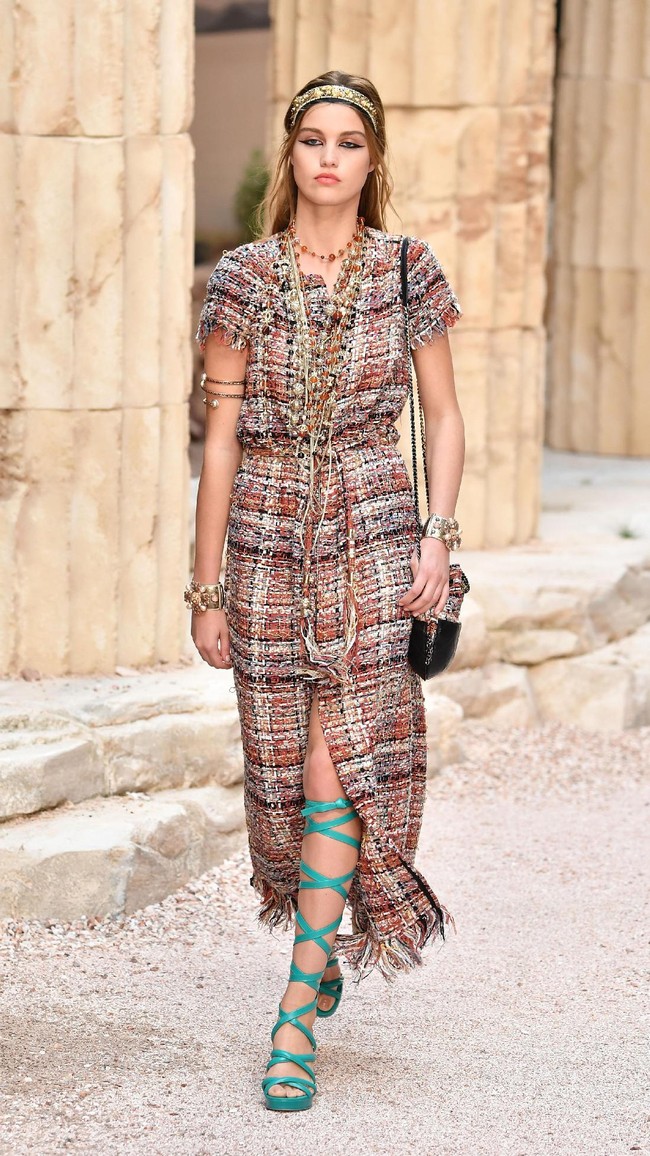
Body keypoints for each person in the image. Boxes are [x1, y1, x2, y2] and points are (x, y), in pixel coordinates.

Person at [189, 70, 465, 1112]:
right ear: (292, 154)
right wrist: (205, 586)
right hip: (261, 534)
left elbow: (441, 416)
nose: (328, 159)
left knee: (334, 757)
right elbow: (217, 442)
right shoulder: (243, 279)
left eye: (348, 142)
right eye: (312, 139)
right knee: (276, 777)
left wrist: (436, 537)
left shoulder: (406, 272)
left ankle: (296, 1007)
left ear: (371, 159)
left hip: (373, 530)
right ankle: (316, 929)